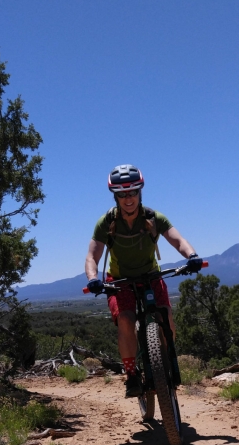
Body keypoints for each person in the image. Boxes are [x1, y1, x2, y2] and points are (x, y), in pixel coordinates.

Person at [85, 164, 203, 397]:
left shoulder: (153, 218)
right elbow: (92, 255)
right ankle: (131, 376)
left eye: (132, 192)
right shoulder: (106, 222)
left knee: (166, 317)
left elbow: (177, 239)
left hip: (150, 275)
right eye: (122, 194)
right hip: (120, 280)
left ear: (140, 192)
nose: (128, 198)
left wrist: (192, 256)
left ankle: (163, 362)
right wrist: (92, 278)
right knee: (126, 320)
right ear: (115, 196)